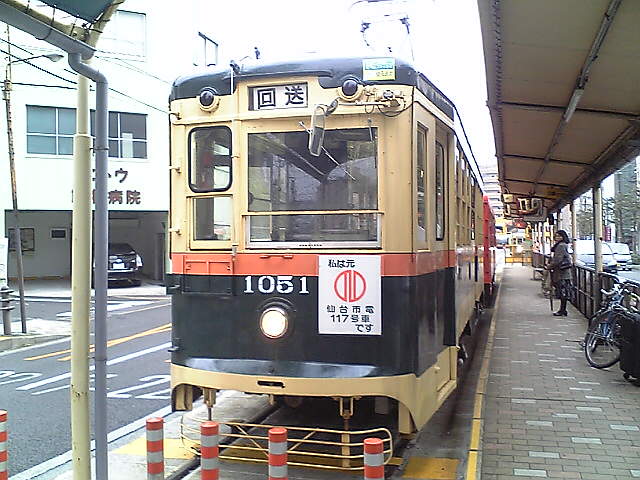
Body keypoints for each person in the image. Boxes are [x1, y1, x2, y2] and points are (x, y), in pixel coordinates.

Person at [546, 229, 572, 316]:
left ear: (563, 237)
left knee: (562, 291)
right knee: (563, 290)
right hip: (564, 272)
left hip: (561, 272)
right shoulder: (563, 245)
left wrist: (550, 266)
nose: (557, 238)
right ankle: (563, 309)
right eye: (556, 236)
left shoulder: (560, 246)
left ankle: (562, 310)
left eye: (559, 236)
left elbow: (558, 259)